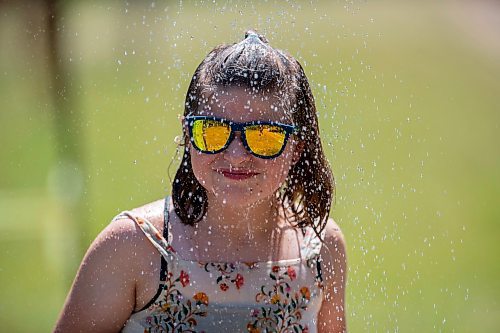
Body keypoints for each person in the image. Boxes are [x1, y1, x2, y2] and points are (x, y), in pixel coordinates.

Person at [54, 30, 347, 333]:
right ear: (187, 135)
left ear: (297, 146)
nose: (235, 155)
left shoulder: (321, 247)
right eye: (214, 131)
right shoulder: (131, 248)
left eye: (263, 135)